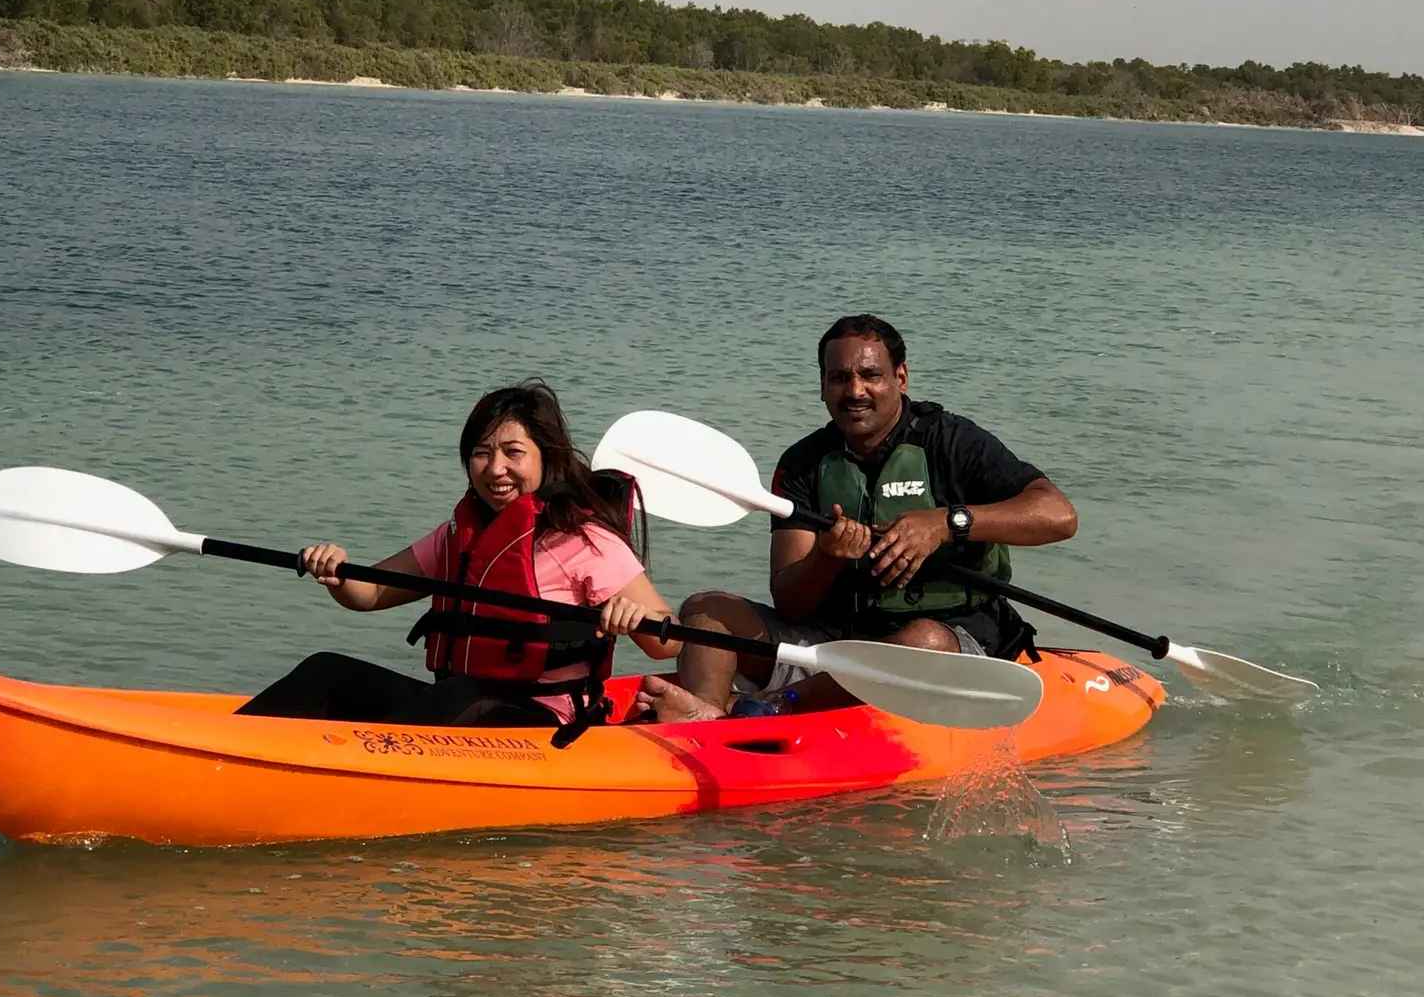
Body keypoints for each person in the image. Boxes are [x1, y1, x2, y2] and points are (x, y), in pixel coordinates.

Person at [637, 314, 1078, 721]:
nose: (855, 391)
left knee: (923, 640)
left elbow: (1059, 516)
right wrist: (826, 558)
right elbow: (791, 604)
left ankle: (775, 707)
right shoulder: (803, 463)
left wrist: (945, 523)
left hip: (947, 645)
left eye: (870, 375)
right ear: (823, 386)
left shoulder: (953, 443)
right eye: (839, 378)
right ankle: (706, 718)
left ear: (900, 378)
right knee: (706, 610)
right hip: (836, 644)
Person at [240, 382, 679, 737]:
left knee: (456, 695)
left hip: (544, 724)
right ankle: (228, 747)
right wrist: (335, 572)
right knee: (327, 671)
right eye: (482, 454)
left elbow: (669, 640)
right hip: (460, 705)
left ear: (547, 458)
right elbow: (370, 593)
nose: (495, 469)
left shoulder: (582, 540)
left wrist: (633, 614)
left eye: (514, 452)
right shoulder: (461, 536)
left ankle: (353, 776)